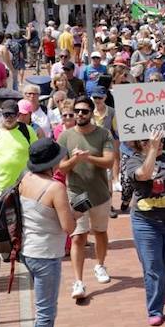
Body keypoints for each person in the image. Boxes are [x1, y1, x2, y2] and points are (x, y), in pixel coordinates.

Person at [17, 139, 76, 327]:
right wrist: (79, 211)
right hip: (45, 254)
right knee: (46, 309)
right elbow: (68, 226)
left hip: (28, 250)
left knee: (46, 305)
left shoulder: (25, 177)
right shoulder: (55, 188)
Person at [124, 130, 165, 326]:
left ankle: (164, 289)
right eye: (154, 142)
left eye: (161, 142)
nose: (161, 144)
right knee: (153, 266)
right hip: (145, 221)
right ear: (141, 144)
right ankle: (155, 309)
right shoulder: (132, 161)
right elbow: (143, 174)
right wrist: (152, 150)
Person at [58, 94, 115, 300]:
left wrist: (87, 157)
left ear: (92, 113)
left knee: (100, 232)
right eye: (77, 111)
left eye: (84, 111)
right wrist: (74, 160)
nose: (80, 115)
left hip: (99, 194)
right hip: (78, 194)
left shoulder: (104, 134)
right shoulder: (65, 136)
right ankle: (78, 281)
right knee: (78, 237)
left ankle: (100, 265)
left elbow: (109, 161)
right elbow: (61, 168)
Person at [0, 99, 37, 197]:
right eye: (6, 115)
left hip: (25, 188)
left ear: (18, 115)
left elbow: (37, 155)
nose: (8, 118)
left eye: (12, 115)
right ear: (1, 115)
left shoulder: (27, 130)